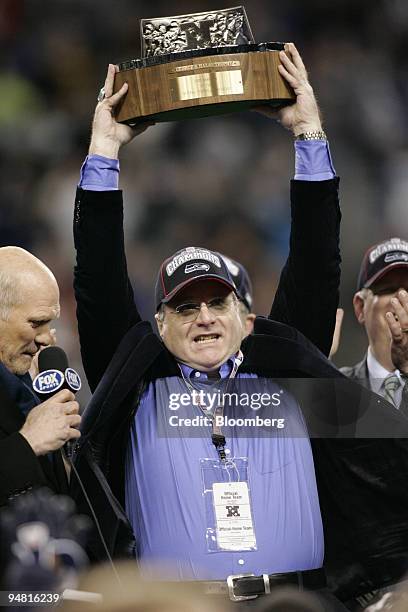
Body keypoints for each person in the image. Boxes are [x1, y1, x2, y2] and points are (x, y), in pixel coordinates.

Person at [71, 45, 408, 610]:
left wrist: (308, 134)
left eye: (216, 303)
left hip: (295, 604)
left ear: (247, 319)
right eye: (184, 307)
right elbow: (98, 281)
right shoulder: (135, 388)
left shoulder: (289, 378)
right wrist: (104, 151)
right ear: (158, 325)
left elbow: (316, 261)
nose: (203, 316)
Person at [0, 247, 81, 505]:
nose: (47, 338)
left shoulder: (27, 389)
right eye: (36, 323)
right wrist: (28, 443)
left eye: (51, 324)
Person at [340, 237, 408, 412]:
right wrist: (316, 362)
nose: (402, 298)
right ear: (361, 307)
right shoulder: (335, 389)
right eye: (388, 289)